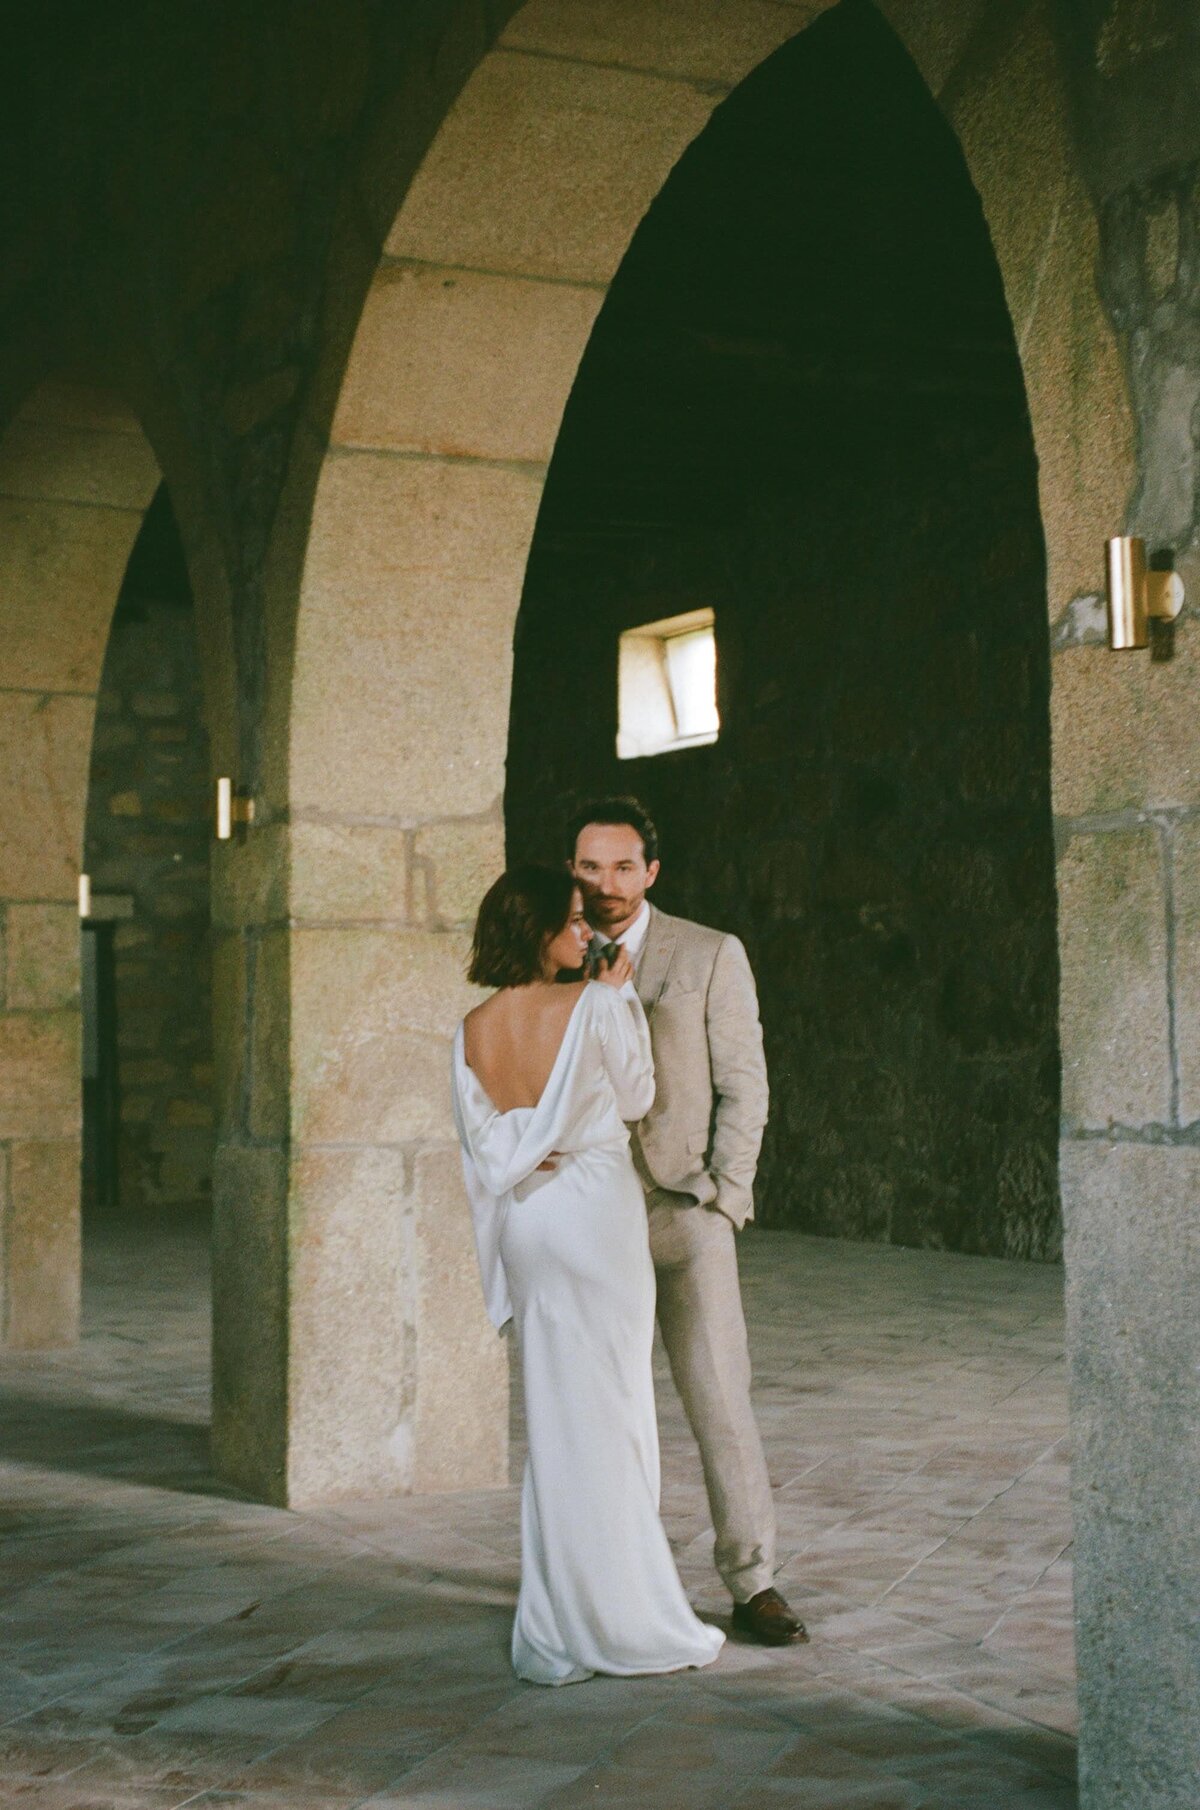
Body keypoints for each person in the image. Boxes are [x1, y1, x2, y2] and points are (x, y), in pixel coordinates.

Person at [451, 864, 725, 1687]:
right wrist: (620, 998)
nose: (587, 933)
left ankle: (558, 1618)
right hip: (597, 1220)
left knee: (560, 1419)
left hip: (532, 1226)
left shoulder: (470, 1028)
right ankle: (626, 1614)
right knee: (617, 1406)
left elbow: (487, 1148)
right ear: (537, 932)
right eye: (572, 921)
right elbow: (638, 1097)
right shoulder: (600, 1002)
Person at [569, 797, 808, 1647]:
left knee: (718, 1398)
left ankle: (755, 1582)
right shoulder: (550, 954)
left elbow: (746, 1081)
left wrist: (726, 1195)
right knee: (603, 1407)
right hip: (589, 1219)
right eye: (590, 867)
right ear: (573, 871)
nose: (606, 885)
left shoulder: (707, 953)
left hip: (683, 1213)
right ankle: (614, 1583)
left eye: (623, 866)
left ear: (652, 871)